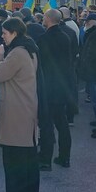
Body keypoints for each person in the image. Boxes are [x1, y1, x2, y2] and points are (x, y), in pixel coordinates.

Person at [0, 17, 39, 192]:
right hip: (25, 109)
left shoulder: (17, 53)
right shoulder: (28, 49)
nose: (2, 36)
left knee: (14, 165)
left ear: (14, 33)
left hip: (16, 113)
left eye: (4, 33)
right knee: (27, 163)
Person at [36, 9, 74, 170]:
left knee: (46, 125)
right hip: (62, 85)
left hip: (48, 86)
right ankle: (65, 157)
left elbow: (40, 63)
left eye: (44, 16)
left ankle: (45, 159)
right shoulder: (65, 36)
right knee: (62, 123)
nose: (43, 19)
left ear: (49, 19)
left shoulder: (44, 38)